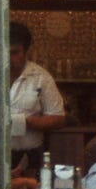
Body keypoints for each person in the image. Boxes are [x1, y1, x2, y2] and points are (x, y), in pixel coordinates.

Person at [9, 21, 66, 175]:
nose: (8, 58)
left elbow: (58, 119)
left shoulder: (41, 77)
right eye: (4, 52)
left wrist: (25, 122)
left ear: (26, 52)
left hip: (28, 157)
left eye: (14, 53)